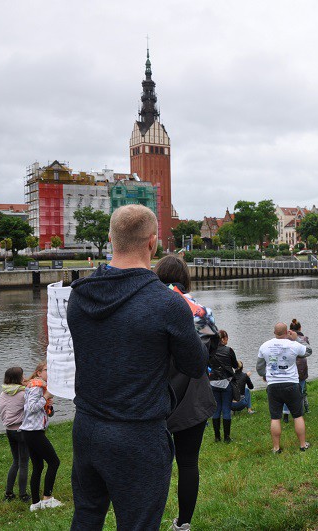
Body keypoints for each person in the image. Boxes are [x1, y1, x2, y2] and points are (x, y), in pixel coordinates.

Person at [67, 204, 208, 530]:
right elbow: (195, 364)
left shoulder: (80, 295)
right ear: (152, 243)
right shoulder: (167, 303)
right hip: (138, 434)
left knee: (86, 516)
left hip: (86, 427)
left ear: (110, 239)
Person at [155, 254, 217, 531]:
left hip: (155, 392)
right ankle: (183, 523)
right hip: (192, 393)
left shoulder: (149, 304)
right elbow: (209, 354)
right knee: (188, 462)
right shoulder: (200, 311)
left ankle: (146, 521)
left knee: (152, 464)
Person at [256, 322, 312, 453]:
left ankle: (276, 447)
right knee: (297, 415)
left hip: (273, 385)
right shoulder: (293, 344)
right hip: (291, 383)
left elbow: (259, 368)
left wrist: (266, 375)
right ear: (287, 332)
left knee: (275, 417)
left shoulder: (265, 346)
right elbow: (308, 351)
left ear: (274, 332)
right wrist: (296, 338)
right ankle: (303, 445)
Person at [21, 361, 61, 512]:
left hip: (30, 431)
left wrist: (48, 408)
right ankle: (47, 498)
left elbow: (39, 410)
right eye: (46, 370)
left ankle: (35, 504)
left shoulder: (37, 385)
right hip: (33, 432)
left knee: (38, 466)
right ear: (38, 373)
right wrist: (46, 396)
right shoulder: (37, 386)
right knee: (54, 462)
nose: (49, 373)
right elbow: (31, 408)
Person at [0, 366, 30, 502]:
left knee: (15, 462)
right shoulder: (23, 394)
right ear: (18, 378)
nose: (24, 378)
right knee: (24, 463)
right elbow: (31, 409)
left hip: (9, 430)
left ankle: (9, 493)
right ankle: (23, 494)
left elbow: (2, 410)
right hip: (21, 431)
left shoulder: (3, 393)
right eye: (22, 376)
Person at [210, 330, 239, 442]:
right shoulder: (228, 350)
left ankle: (217, 437)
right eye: (227, 338)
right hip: (226, 382)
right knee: (226, 409)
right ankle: (227, 437)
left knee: (216, 410)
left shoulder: (210, 351)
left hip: (213, 382)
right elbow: (235, 365)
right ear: (223, 338)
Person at [283, 318, 312, 421]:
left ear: (290, 330)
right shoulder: (304, 339)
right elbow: (308, 350)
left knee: (287, 393)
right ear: (300, 328)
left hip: (289, 367)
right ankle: (298, 413)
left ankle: (286, 414)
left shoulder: (285, 340)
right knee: (299, 391)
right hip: (301, 369)